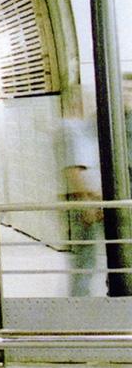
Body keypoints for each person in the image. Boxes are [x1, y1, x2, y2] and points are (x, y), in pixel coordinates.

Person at [60, 117, 105, 296]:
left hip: (95, 201)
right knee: (85, 260)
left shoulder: (90, 131)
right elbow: (73, 171)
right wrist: (87, 203)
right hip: (86, 204)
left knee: (88, 259)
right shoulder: (73, 130)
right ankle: (79, 304)